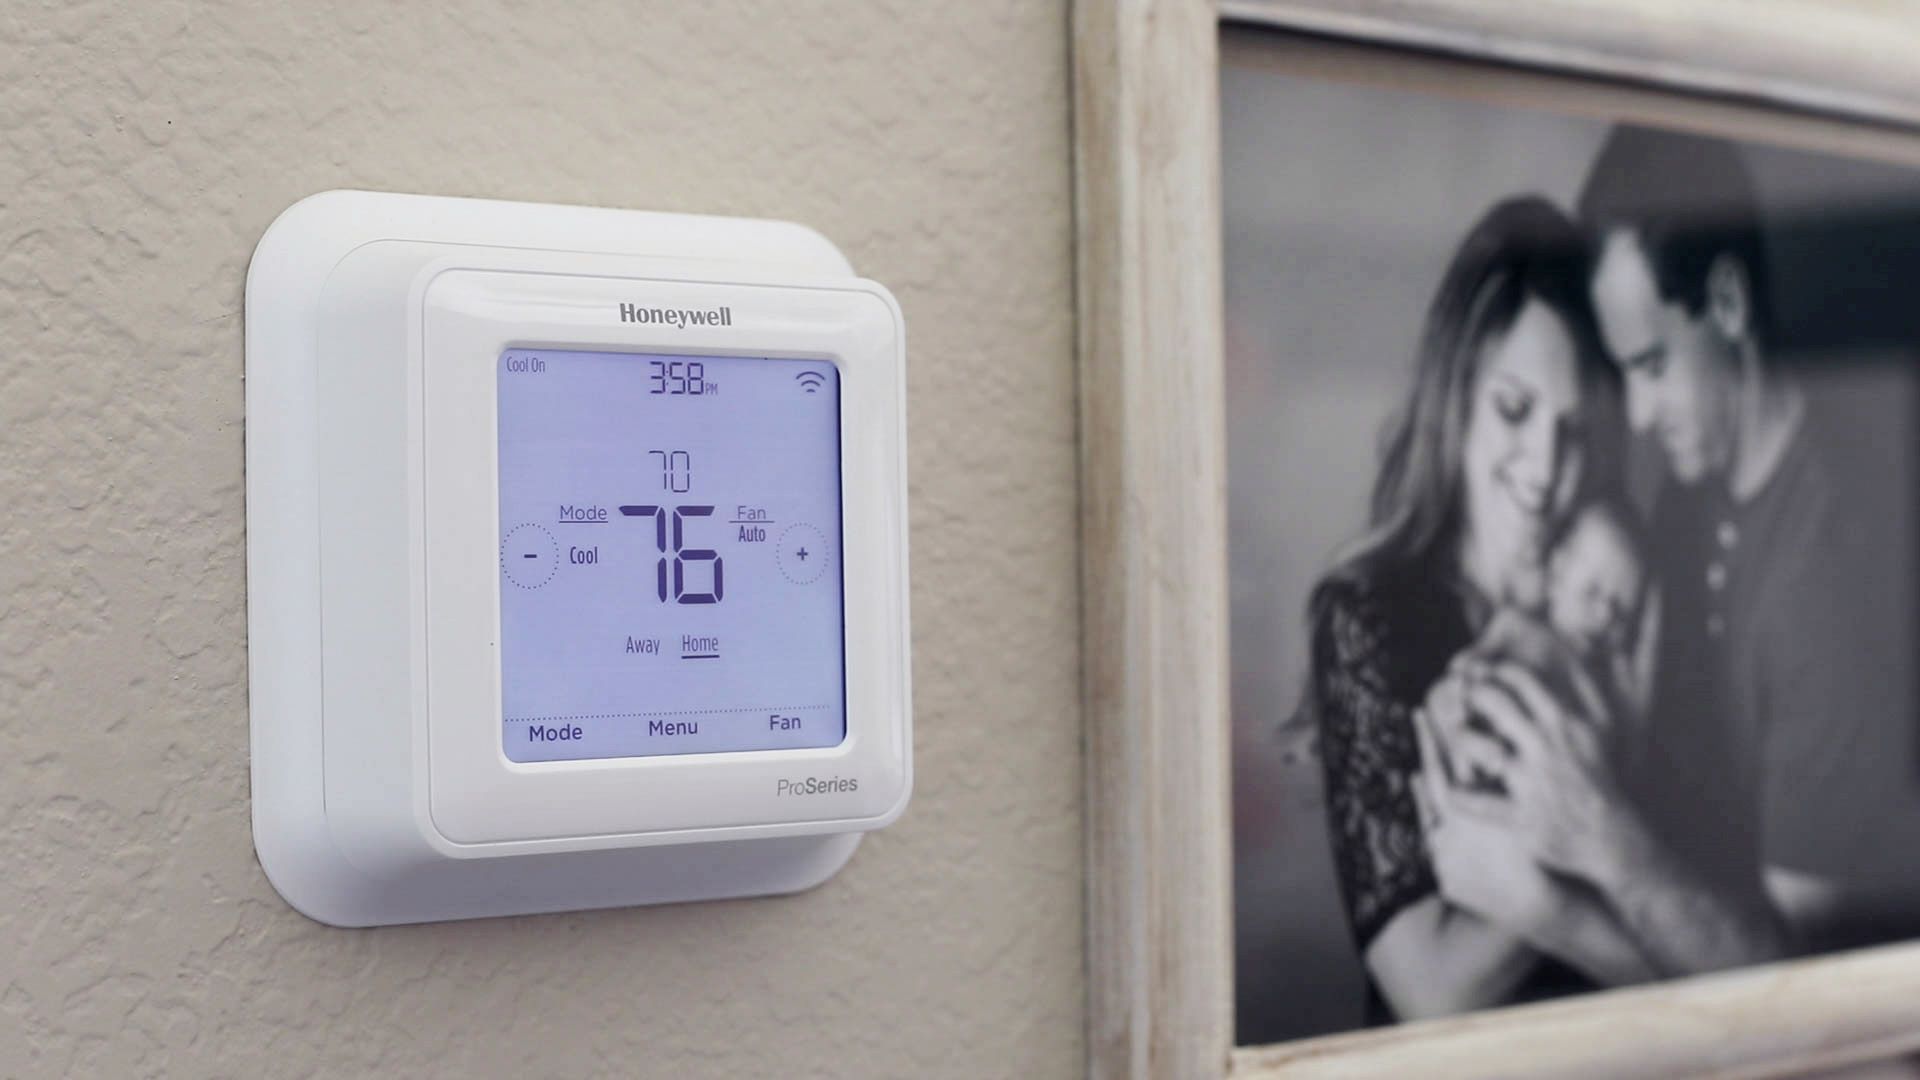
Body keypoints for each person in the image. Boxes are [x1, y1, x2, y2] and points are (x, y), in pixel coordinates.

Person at [1422, 125, 1920, 976]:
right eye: (1624, 376)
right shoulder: (1690, 498)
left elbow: (1789, 992)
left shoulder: (1830, 593)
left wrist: (1569, 880)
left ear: (1727, 302)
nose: (1639, 417)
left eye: (1651, 365)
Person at [1304, 197, 1654, 1023]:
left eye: (1575, 429)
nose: (1545, 466)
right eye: (1514, 409)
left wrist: (1537, 883)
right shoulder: (1367, 618)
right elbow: (1430, 988)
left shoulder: (1620, 585)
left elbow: (1692, 956)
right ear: (1454, 398)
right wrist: (1591, 838)